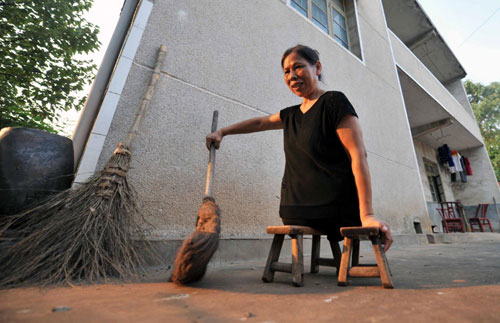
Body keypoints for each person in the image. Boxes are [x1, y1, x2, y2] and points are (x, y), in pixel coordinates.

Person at [206, 45, 393, 252]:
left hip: (334, 208)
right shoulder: (291, 114)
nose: (292, 75)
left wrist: (367, 215)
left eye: (298, 67)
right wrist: (222, 132)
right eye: (286, 71)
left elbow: (358, 155)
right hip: (295, 210)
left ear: (318, 67)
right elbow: (260, 122)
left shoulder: (333, 102)